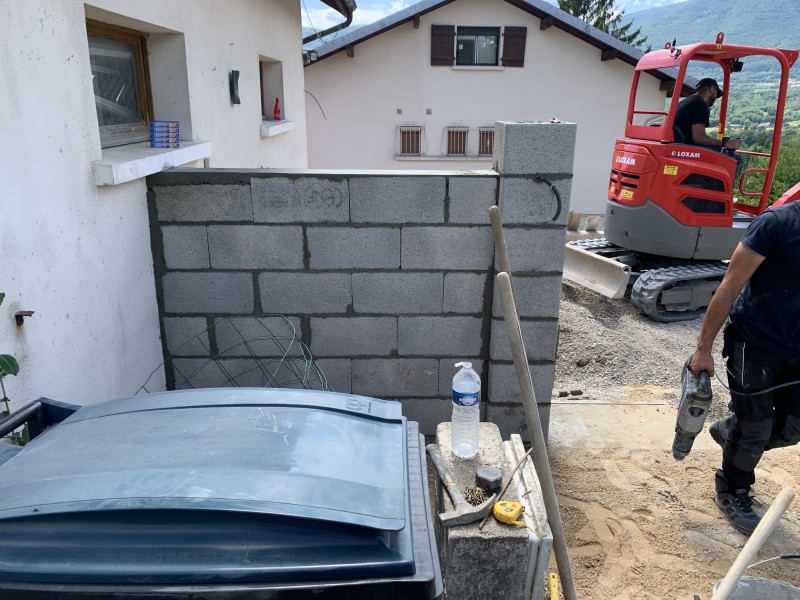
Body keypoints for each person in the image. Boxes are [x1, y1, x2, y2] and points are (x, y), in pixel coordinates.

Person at [690, 200, 800, 535]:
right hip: (754, 342)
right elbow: (729, 286)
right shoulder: (776, 224)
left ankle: (730, 433)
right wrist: (703, 349)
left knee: (793, 428)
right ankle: (732, 488)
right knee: (754, 429)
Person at [673, 77, 742, 152]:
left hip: (676, 146)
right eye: (716, 94)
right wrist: (726, 143)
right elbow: (699, 138)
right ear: (712, 89)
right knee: (730, 155)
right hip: (686, 149)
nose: (715, 98)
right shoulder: (701, 105)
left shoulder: (683, 102)